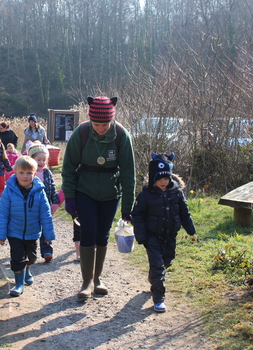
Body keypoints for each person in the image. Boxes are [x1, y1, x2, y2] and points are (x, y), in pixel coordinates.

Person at [61, 96, 136, 301]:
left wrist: (127, 208)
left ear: (111, 120)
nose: (101, 128)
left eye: (105, 124)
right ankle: (86, 282)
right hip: (84, 190)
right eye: (97, 124)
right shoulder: (82, 133)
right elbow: (68, 168)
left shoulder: (121, 136)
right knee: (88, 232)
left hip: (110, 193)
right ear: (90, 120)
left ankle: (98, 279)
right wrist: (70, 198)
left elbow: (129, 174)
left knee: (102, 235)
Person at [131, 153, 196, 313]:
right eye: (160, 179)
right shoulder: (145, 195)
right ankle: (158, 299)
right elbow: (137, 216)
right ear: (153, 178)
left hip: (170, 236)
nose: (163, 182)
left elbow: (184, 213)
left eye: (166, 178)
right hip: (152, 237)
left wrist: (191, 230)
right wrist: (141, 236)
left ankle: (154, 279)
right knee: (158, 267)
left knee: (167, 261)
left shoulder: (177, 193)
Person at [0, 156, 56, 297]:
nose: (25, 176)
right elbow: (3, 214)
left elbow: (45, 215)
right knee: (17, 258)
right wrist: (0, 235)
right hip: (14, 232)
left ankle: (28, 269)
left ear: (34, 174)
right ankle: (19, 284)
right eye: (21, 172)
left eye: (29, 173)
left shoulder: (40, 192)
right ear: (15, 173)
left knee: (31, 257)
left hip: (32, 232)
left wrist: (48, 235)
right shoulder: (9, 191)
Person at [28, 142, 60, 262]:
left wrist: (55, 202)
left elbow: (52, 187)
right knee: (31, 228)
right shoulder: (27, 173)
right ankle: (30, 250)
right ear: (31, 160)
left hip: (45, 206)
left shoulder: (47, 173)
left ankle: (47, 250)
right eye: (38, 160)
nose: (41, 162)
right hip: (30, 207)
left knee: (46, 227)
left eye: (43, 160)